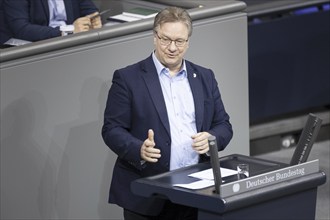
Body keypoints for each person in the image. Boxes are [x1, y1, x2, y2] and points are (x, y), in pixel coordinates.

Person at [102, 6, 233, 220]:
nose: (172, 48)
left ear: (188, 42)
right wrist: (138, 149)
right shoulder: (128, 78)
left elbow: (224, 125)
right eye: (165, 39)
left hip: (198, 192)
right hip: (149, 195)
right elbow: (111, 129)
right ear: (154, 37)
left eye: (179, 41)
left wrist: (212, 139)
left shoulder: (204, 77)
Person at [1, 0, 102, 45]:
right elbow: (21, 29)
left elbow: (88, 8)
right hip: (36, 46)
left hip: (70, 41)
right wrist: (67, 31)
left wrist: (93, 19)